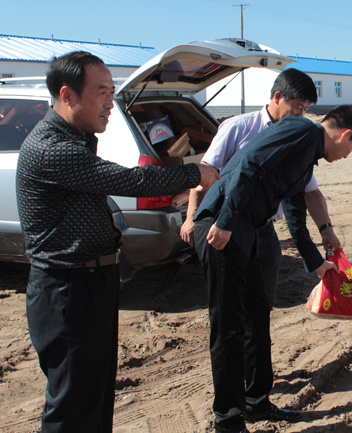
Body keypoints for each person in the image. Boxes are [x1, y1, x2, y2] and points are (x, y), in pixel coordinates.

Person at [15, 51, 218, 432]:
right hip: (67, 289)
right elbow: (131, 181)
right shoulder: (53, 150)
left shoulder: (77, 139)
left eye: (112, 91)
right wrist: (195, 173)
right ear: (67, 95)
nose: (111, 103)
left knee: (95, 393)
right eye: (101, 92)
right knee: (71, 403)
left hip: (91, 283)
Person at [193, 104, 352, 433]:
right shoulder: (301, 131)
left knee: (258, 317)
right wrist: (226, 220)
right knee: (229, 327)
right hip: (222, 227)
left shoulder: (306, 157)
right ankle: (228, 420)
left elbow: (294, 215)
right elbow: (247, 165)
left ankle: (257, 402)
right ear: (345, 135)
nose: (348, 155)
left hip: (249, 229)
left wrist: (316, 263)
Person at [181, 68, 340, 308]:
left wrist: (326, 229)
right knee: (231, 306)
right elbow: (206, 172)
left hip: (266, 231)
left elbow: (309, 192)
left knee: (262, 303)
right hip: (230, 226)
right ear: (277, 97)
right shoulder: (239, 127)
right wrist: (191, 216)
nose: (300, 114)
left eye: (306, 109)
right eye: (297, 106)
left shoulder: (299, 137)